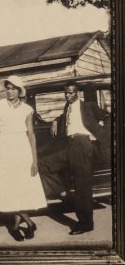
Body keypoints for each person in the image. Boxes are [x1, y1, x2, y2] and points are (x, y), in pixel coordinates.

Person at [39, 81, 110, 235]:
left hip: (83, 144)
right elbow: (65, 117)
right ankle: (62, 191)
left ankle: (85, 224)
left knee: (82, 185)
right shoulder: (68, 107)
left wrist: (98, 135)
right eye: (66, 93)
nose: (67, 95)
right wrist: (55, 121)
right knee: (43, 165)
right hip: (70, 146)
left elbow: (108, 117)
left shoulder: (88, 106)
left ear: (77, 92)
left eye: (71, 92)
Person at [0, 75, 47, 241]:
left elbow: (31, 135)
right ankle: (28, 223)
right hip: (4, 150)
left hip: (22, 151)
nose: (10, 91)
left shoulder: (27, 109)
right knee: (9, 189)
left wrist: (35, 160)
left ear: (19, 91)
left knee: (21, 189)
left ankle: (15, 226)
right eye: (7, 88)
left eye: (13, 88)